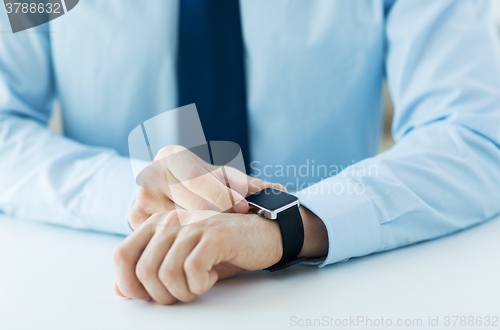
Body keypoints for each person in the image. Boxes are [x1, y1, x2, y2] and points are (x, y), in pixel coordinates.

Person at [1, 0, 500, 305]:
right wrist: (140, 199)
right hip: (106, 291)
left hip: (337, 286)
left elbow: (474, 134)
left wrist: (291, 225)